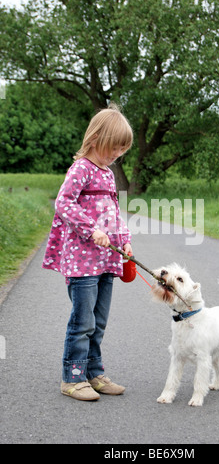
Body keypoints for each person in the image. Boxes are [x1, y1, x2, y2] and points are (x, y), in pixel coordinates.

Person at [42, 104, 133, 401]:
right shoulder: (81, 168)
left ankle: (94, 372)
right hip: (81, 262)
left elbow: (113, 212)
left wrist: (124, 240)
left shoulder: (107, 173)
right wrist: (91, 229)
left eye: (122, 150)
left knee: (99, 320)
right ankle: (72, 377)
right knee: (83, 321)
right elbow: (64, 203)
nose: (117, 154)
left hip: (105, 260)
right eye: (114, 148)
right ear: (96, 138)